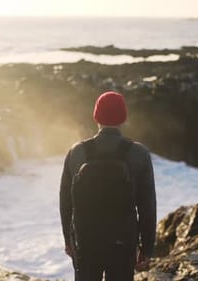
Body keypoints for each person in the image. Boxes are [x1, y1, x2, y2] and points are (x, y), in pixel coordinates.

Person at [59, 91, 156, 281]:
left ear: (96, 116)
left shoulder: (77, 152)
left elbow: (65, 200)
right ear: (123, 117)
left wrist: (69, 241)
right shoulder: (138, 153)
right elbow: (147, 206)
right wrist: (147, 248)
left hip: (85, 240)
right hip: (123, 242)